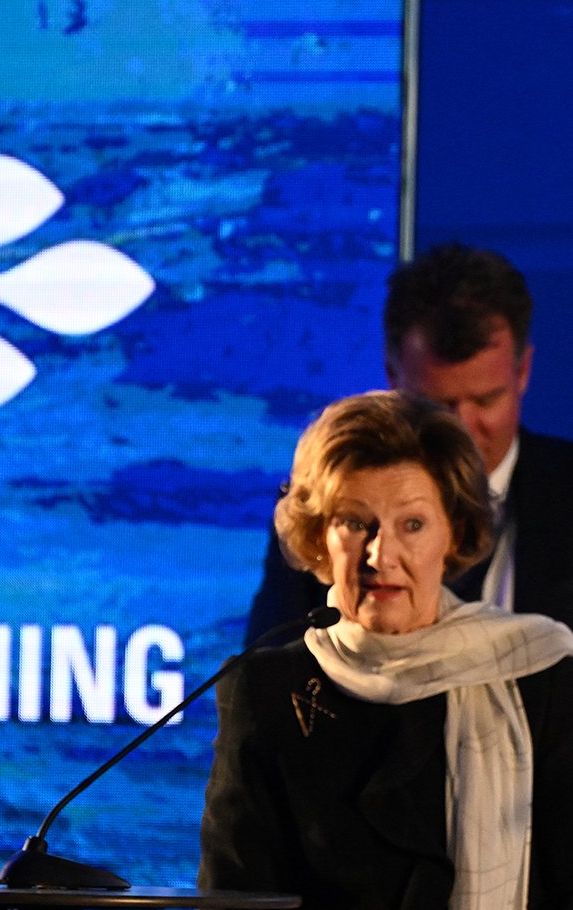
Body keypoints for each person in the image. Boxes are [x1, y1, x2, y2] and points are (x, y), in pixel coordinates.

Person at [192, 390, 573, 910]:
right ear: (316, 536)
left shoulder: (543, 677)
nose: (380, 555)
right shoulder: (267, 691)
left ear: (454, 532)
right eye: (354, 522)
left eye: (411, 524)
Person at [245, 245, 573, 643]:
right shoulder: (324, 499)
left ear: (523, 371)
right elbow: (271, 661)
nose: (462, 429)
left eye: (486, 400)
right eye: (437, 405)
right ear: (392, 375)